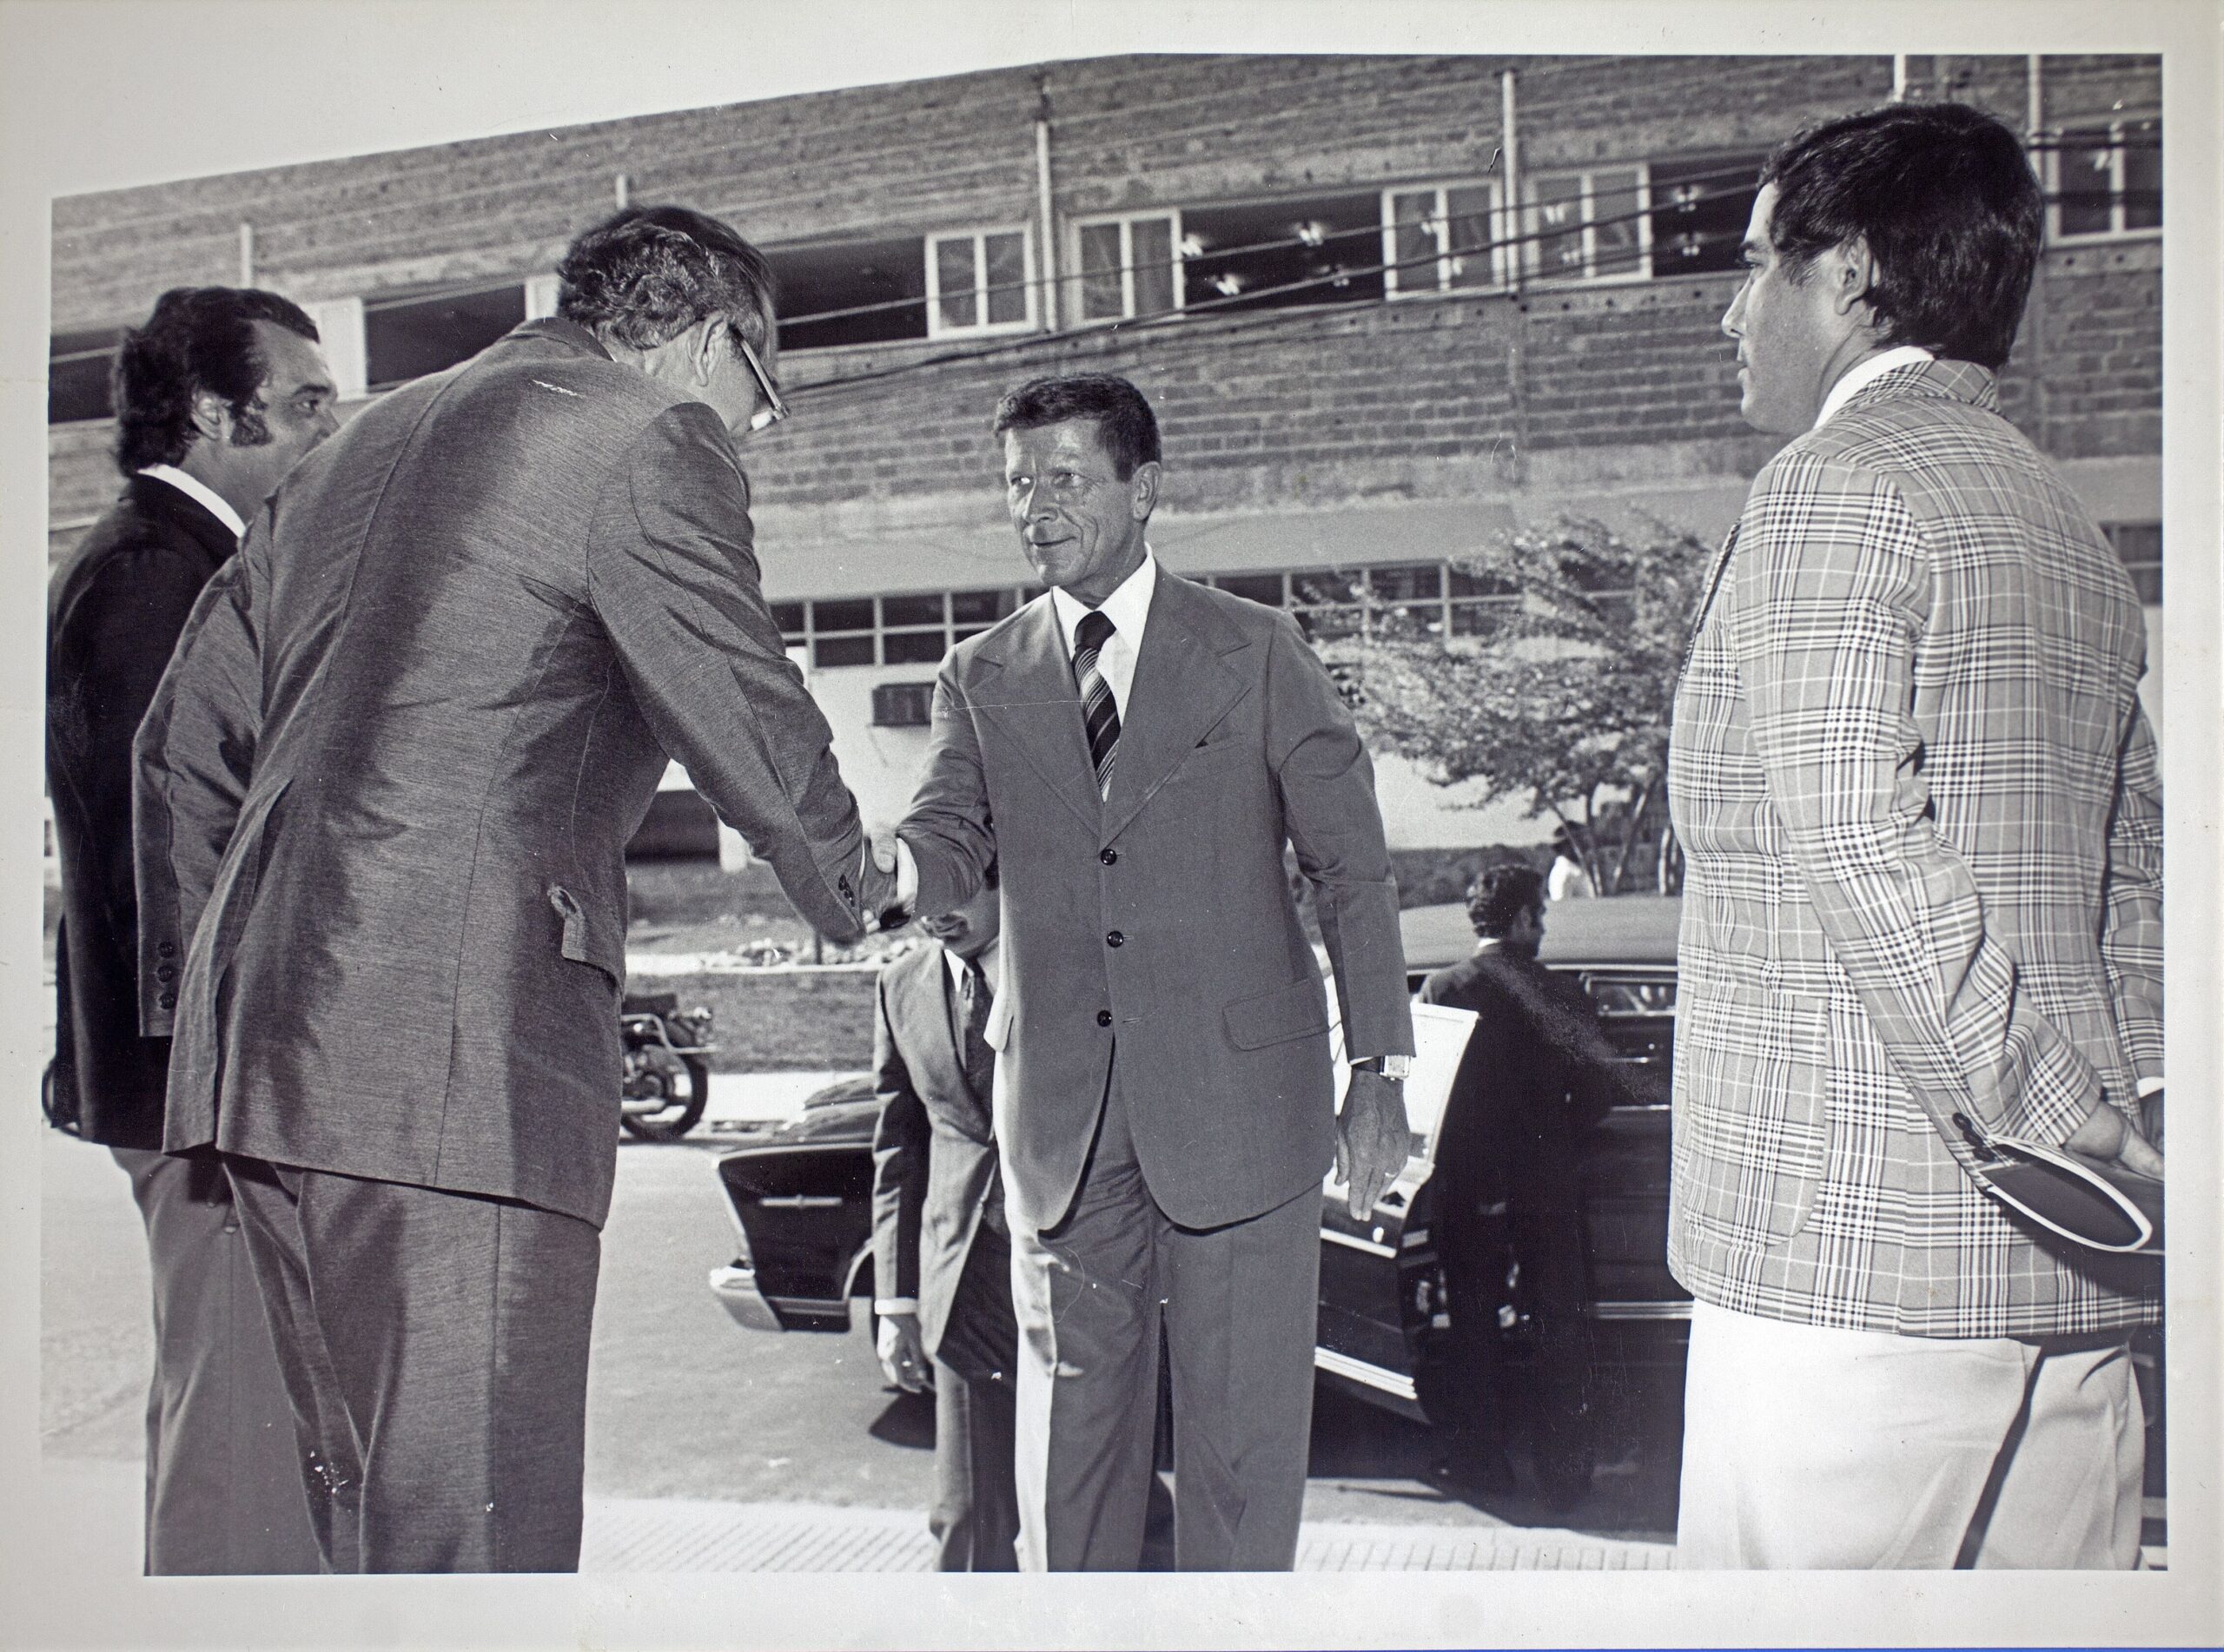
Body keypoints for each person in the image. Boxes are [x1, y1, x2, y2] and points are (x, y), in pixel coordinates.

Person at [134, 204, 897, 1573]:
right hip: (450, 1068)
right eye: (763, 390)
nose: (753, 426)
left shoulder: (347, 447)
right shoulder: (647, 435)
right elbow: (744, 703)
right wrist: (871, 890)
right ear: (713, 340)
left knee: (367, 1538)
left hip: (261, 1067)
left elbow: (180, 746)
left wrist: (214, 994)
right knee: (477, 1546)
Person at [1667, 102, 2163, 1569]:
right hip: (2075, 1281)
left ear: (1850, 274)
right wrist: (2141, 1105)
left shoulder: (1832, 487)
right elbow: (2136, 863)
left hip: (1848, 1288)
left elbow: (1860, 846)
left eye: (1753, 263)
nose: (1732, 311)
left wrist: (2050, 1105)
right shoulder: (2063, 524)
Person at [889, 373, 1414, 1571]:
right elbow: (945, 832)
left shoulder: (1258, 650)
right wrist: (896, 870)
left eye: (1065, 478)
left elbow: (1353, 873)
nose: (1035, 507)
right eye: (1016, 483)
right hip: (1064, 1124)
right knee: (1068, 1481)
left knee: (1239, 1468)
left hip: (1246, 1111)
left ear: (1144, 489)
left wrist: (1379, 1071)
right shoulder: (980, 673)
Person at [46, 286, 336, 1575]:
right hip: (207, 1095)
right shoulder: (153, 578)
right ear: (219, 414)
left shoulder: (186, 564)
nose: (330, 431)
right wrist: (234, 1080)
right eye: (308, 403)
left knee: (245, 1428)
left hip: (211, 1085)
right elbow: (160, 860)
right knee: (237, 1453)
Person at [1416, 864, 1664, 1508]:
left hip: (1468, 1187)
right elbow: (1599, 1091)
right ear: (1524, 917)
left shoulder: (1442, 991)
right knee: (1560, 1325)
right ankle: (1565, 1477)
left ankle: (1481, 1465)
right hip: (1546, 1183)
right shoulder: (1563, 994)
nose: (1545, 926)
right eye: (1540, 915)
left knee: (1471, 1325)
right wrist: (1551, 1141)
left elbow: (1426, 1099)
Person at [869, 872, 1023, 1570]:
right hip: (967, 1290)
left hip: (1078, 1278)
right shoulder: (900, 987)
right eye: (916, 900)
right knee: (966, 1521)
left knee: (1114, 1512)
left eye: (950, 890)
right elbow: (899, 1153)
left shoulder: (1071, 965)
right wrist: (896, 1301)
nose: (933, 915)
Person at [1546, 828, 1593, 901]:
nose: (1583, 845)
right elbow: (1562, 906)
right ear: (1563, 846)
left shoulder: (1578, 869)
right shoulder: (1562, 873)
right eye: (1578, 842)